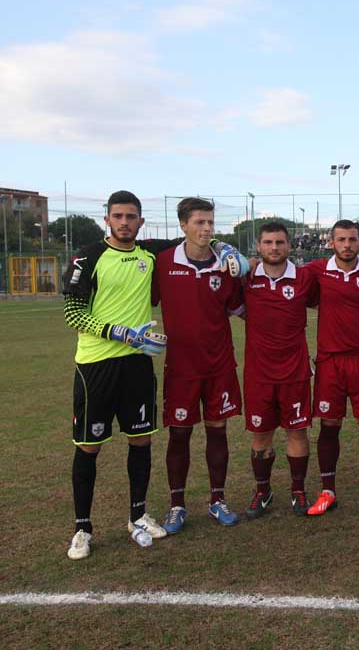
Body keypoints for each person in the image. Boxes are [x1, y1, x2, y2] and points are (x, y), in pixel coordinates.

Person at [62, 191, 168, 558]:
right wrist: (120, 332)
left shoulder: (150, 253)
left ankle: (137, 516)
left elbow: (195, 236)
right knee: (89, 447)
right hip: (96, 366)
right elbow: (73, 313)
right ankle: (82, 529)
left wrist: (225, 247)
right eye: (118, 216)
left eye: (132, 216)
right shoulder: (88, 257)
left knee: (141, 441)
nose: (125, 222)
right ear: (106, 219)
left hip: (137, 365)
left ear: (141, 220)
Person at [155, 197, 247, 532]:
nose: (206, 228)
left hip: (219, 364)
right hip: (180, 367)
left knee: (217, 430)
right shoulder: (164, 263)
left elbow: (242, 310)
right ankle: (177, 505)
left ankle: (217, 500)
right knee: (179, 434)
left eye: (210, 222)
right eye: (199, 222)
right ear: (183, 225)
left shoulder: (226, 266)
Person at [304, 220, 359, 514]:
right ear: (331, 242)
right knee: (329, 425)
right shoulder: (317, 270)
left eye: (352, 239)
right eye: (341, 239)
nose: (347, 245)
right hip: (330, 361)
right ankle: (327, 490)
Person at [242, 222, 318, 518]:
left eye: (280, 242)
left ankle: (298, 490)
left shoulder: (304, 278)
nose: (274, 248)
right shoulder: (246, 278)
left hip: (295, 371)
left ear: (289, 246)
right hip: (259, 373)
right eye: (268, 242)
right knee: (261, 435)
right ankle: (263, 491)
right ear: (258, 247)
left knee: (297, 431)